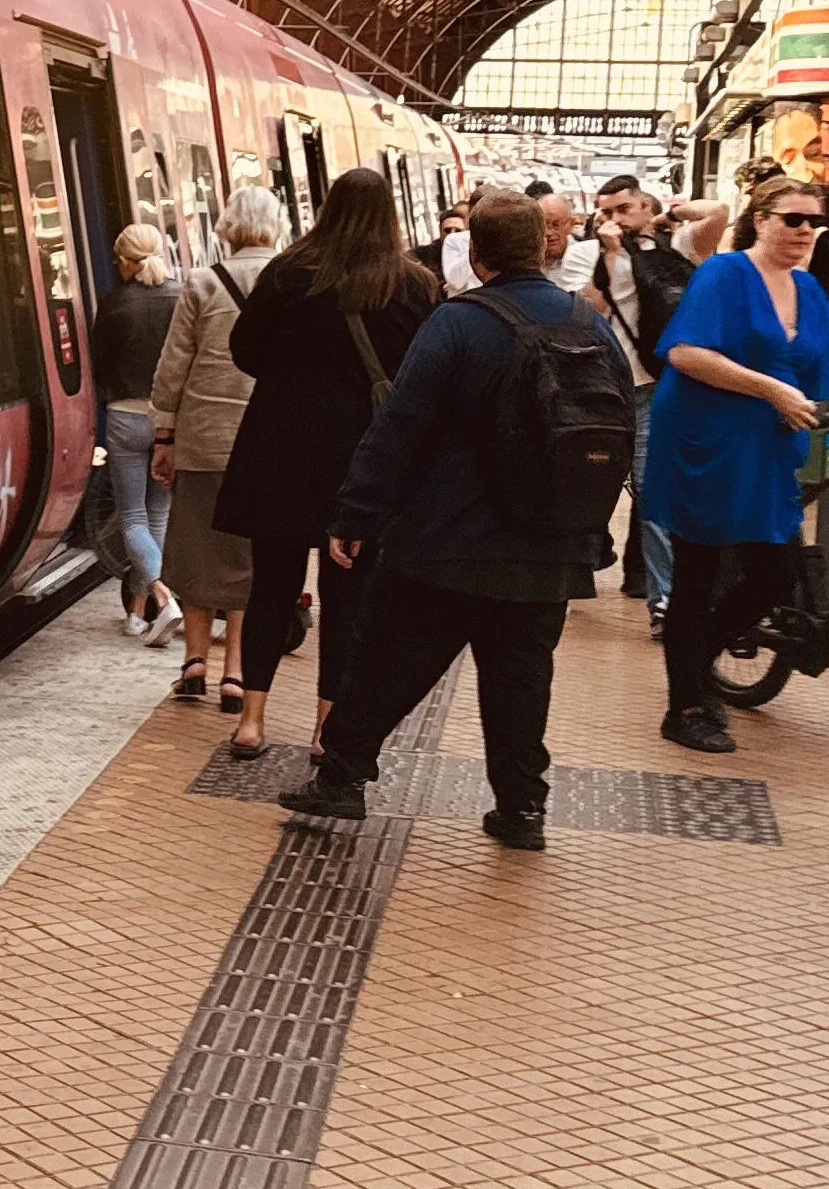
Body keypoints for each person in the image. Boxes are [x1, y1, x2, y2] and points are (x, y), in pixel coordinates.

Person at [277, 192, 613, 848]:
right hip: (548, 546)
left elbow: (401, 422)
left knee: (388, 658)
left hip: (448, 538)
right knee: (521, 678)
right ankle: (521, 810)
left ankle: (340, 780)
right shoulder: (585, 321)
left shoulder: (459, 321)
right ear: (546, 246)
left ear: (475, 252)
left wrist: (356, 510)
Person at [637, 177, 829, 751]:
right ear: (761, 219)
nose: (805, 231)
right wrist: (772, 390)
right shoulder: (725, 274)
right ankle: (684, 706)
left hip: (768, 447)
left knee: (770, 577)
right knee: (700, 574)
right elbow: (685, 352)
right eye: (792, 219)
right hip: (709, 442)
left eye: (814, 222)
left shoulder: (805, 288)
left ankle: (697, 665)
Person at [214, 166, 437, 764]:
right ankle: (323, 729)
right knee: (348, 601)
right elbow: (420, 375)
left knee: (272, 590)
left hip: (280, 454)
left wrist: (295, 379)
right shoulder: (412, 284)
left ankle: (253, 722)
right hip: (363, 465)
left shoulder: (288, 273)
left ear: (327, 209)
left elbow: (245, 351)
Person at [149, 188, 284, 708]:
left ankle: (194, 664)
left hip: (203, 438)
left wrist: (164, 436)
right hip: (267, 443)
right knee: (251, 559)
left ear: (226, 226)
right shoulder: (292, 280)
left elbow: (173, 366)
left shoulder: (203, 283)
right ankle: (236, 674)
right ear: (274, 225)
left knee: (196, 552)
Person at [585, 174, 703, 621]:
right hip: (611, 390)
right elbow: (594, 307)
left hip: (658, 388)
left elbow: (718, 215)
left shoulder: (676, 250)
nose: (613, 219)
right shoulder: (598, 254)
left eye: (622, 209)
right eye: (606, 211)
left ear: (644, 207)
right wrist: (609, 251)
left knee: (654, 491)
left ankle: (665, 600)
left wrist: (671, 215)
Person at [92, 222, 179, 645]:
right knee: (158, 515)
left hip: (126, 419)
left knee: (133, 516)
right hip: (168, 422)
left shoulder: (112, 305)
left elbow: (100, 368)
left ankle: (159, 599)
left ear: (125, 261)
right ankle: (139, 613)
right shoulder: (181, 296)